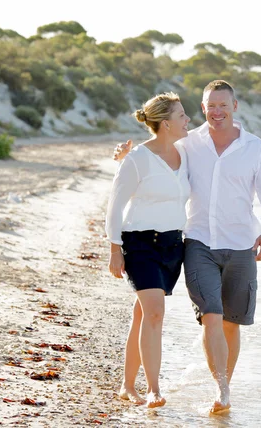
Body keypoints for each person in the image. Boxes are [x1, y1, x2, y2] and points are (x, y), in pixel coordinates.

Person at [114, 80, 261, 413]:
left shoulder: (255, 148)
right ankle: (220, 388)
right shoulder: (189, 143)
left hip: (241, 246)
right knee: (211, 316)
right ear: (203, 108)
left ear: (235, 107)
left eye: (223, 105)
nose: (217, 111)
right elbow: (153, 157)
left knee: (231, 323)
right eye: (210, 105)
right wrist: (125, 158)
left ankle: (224, 388)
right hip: (198, 243)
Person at [105, 92, 191, 408]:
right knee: (155, 313)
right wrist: (115, 249)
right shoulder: (137, 159)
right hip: (140, 244)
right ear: (166, 123)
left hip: (173, 246)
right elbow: (114, 206)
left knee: (143, 314)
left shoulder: (187, 153)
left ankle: (127, 386)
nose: (188, 120)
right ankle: (154, 389)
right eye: (182, 115)